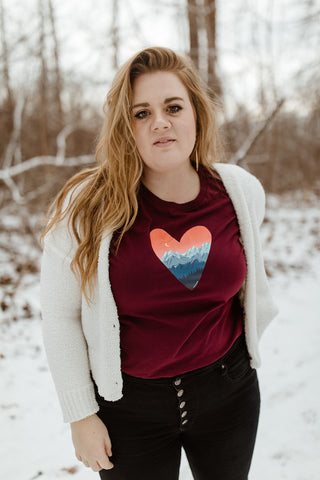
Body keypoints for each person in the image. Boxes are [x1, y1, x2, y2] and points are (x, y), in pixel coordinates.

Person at [40, 46, 278, 480]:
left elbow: (247, 288)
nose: (160, 123)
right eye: (141, 113)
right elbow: (60, 315)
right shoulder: (86, 207)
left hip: (229, 392)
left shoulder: (241, 192)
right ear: (124, 127)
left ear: (196, 113)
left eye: (173, 107)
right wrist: (80, 415)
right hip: (129, 413)